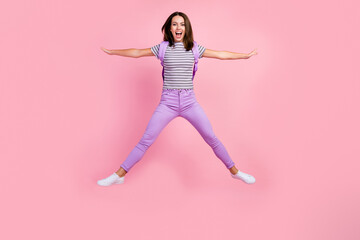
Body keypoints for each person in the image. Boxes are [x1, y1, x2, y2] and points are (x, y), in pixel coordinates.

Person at [97, 11, 258, 186]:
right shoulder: (163, 48)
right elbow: (137, 52)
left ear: (186, 28)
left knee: (211, 138)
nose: (178, 27)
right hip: (168, 103)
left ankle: (235, 172)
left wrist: (244, 55)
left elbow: (221, 54)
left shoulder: (195, 48)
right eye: (174, 24)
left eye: (182, 24)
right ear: (169, 28)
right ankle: (119, 174)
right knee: (146, 140)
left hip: (189, 102)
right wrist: (112, 52)